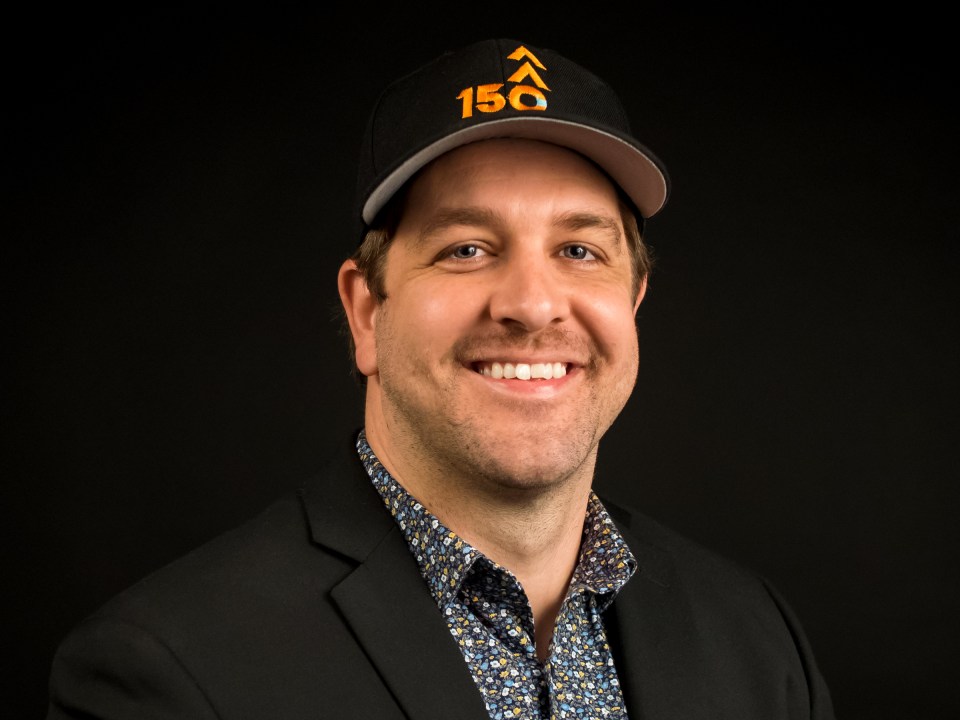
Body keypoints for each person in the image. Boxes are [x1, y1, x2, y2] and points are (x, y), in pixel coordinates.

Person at [46, 38, 836, 720]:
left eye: (580, 250)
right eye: (466, 248)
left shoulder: (754, 636)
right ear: (366, 312)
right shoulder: (170, 670)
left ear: (633, 303)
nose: (531, 305)